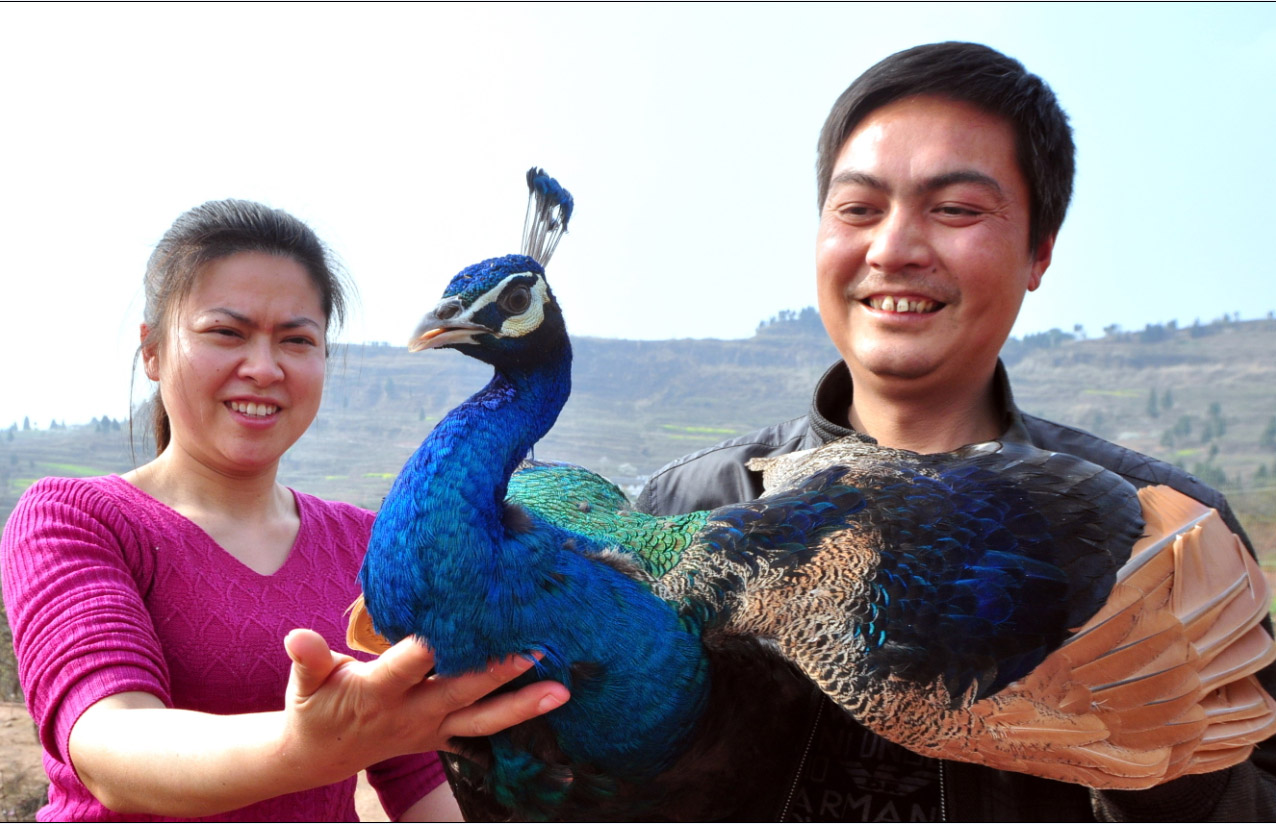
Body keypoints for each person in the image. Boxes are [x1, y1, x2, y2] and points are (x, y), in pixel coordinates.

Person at [636, 42, 1276, 821]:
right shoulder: (684, 509)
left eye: (955, 210)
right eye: (859, 209)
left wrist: (1162, 751)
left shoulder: (1160, 536)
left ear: (1039, 251)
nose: (894, 249)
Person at [0, 200, 569, 821]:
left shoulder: (369, 544)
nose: (264, 369)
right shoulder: (74, 520)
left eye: (297, 340)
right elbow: (111, 747)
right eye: (227, 333)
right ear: (153, 351)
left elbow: (418, 778)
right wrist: (304, 748)